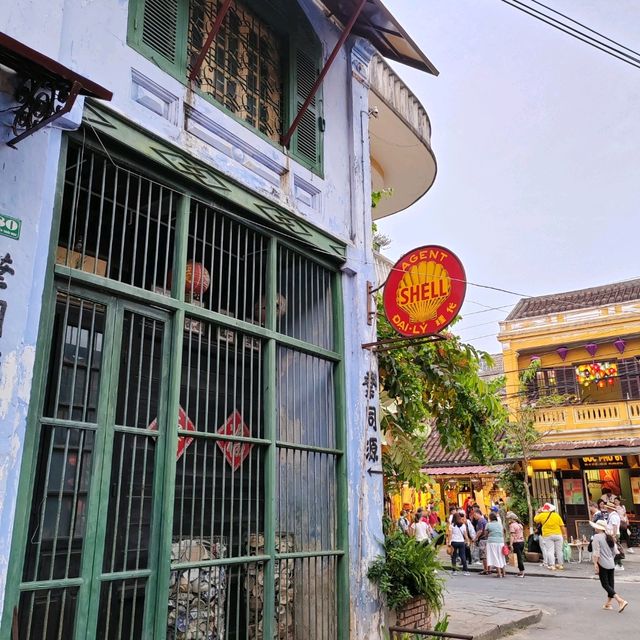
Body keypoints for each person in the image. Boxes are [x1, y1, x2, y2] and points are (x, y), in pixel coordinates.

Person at [590, 520, 629, 612]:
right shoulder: (609, 537)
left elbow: (596, 552)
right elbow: (615, 551)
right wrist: (609, 558)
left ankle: (620, 600)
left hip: (602, 563)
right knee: (611, 584)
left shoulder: (596, 537)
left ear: (598, 528)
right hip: (611, 563)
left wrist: (595, 563)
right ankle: (608, 604)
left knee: (605, 584)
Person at [533, 503, 567, 570]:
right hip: (558, 534)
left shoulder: (542, 515)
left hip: (547, 535)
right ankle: (560, 565)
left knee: (550, 551)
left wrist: (538, 512)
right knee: (559, 551)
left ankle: (552, 565)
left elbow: (535, 520)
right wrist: (564, 534)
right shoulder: (556, 515)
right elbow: (562, 526)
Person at [486, 512, 506, 578]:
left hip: (492, 542)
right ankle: (504, 573)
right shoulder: (500, 524)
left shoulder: (488, 524)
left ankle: (499, 573)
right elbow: (503, 533)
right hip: (501, 542)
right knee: (501, 557)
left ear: (490, 518)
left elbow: (485, 534)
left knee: (495, 557)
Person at [604, 502, 624, 570]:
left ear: (609, 508)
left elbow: (614, 526)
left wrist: (614, 536)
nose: (606, 509)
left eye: (607, 507)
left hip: (613, 534)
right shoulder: (613, 515)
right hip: (612, 534)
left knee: (614, 550)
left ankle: (617, 564)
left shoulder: (614, 516)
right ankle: (619, 565)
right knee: (615, 550)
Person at [507, 511, 526, 577]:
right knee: (519, 557)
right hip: (522, 542)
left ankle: (522, 572)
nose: (508, 520)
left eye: (509, 519)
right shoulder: (520, 525)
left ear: (512, 519)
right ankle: (520, 572)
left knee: (519, 558)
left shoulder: (512, 525)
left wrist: (511, 544)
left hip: (516, 543)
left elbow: (512, 535)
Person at [472, 506, 489, 573]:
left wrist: (475, 538)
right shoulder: (484, 520)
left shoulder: (480, 520)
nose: (474, 517)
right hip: (486, 538)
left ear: (478, 514)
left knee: (483, 555)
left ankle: (485, 569)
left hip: (482, 539)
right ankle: (487, 569)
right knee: (486, 555)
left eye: (475, 515)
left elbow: (480, 531)